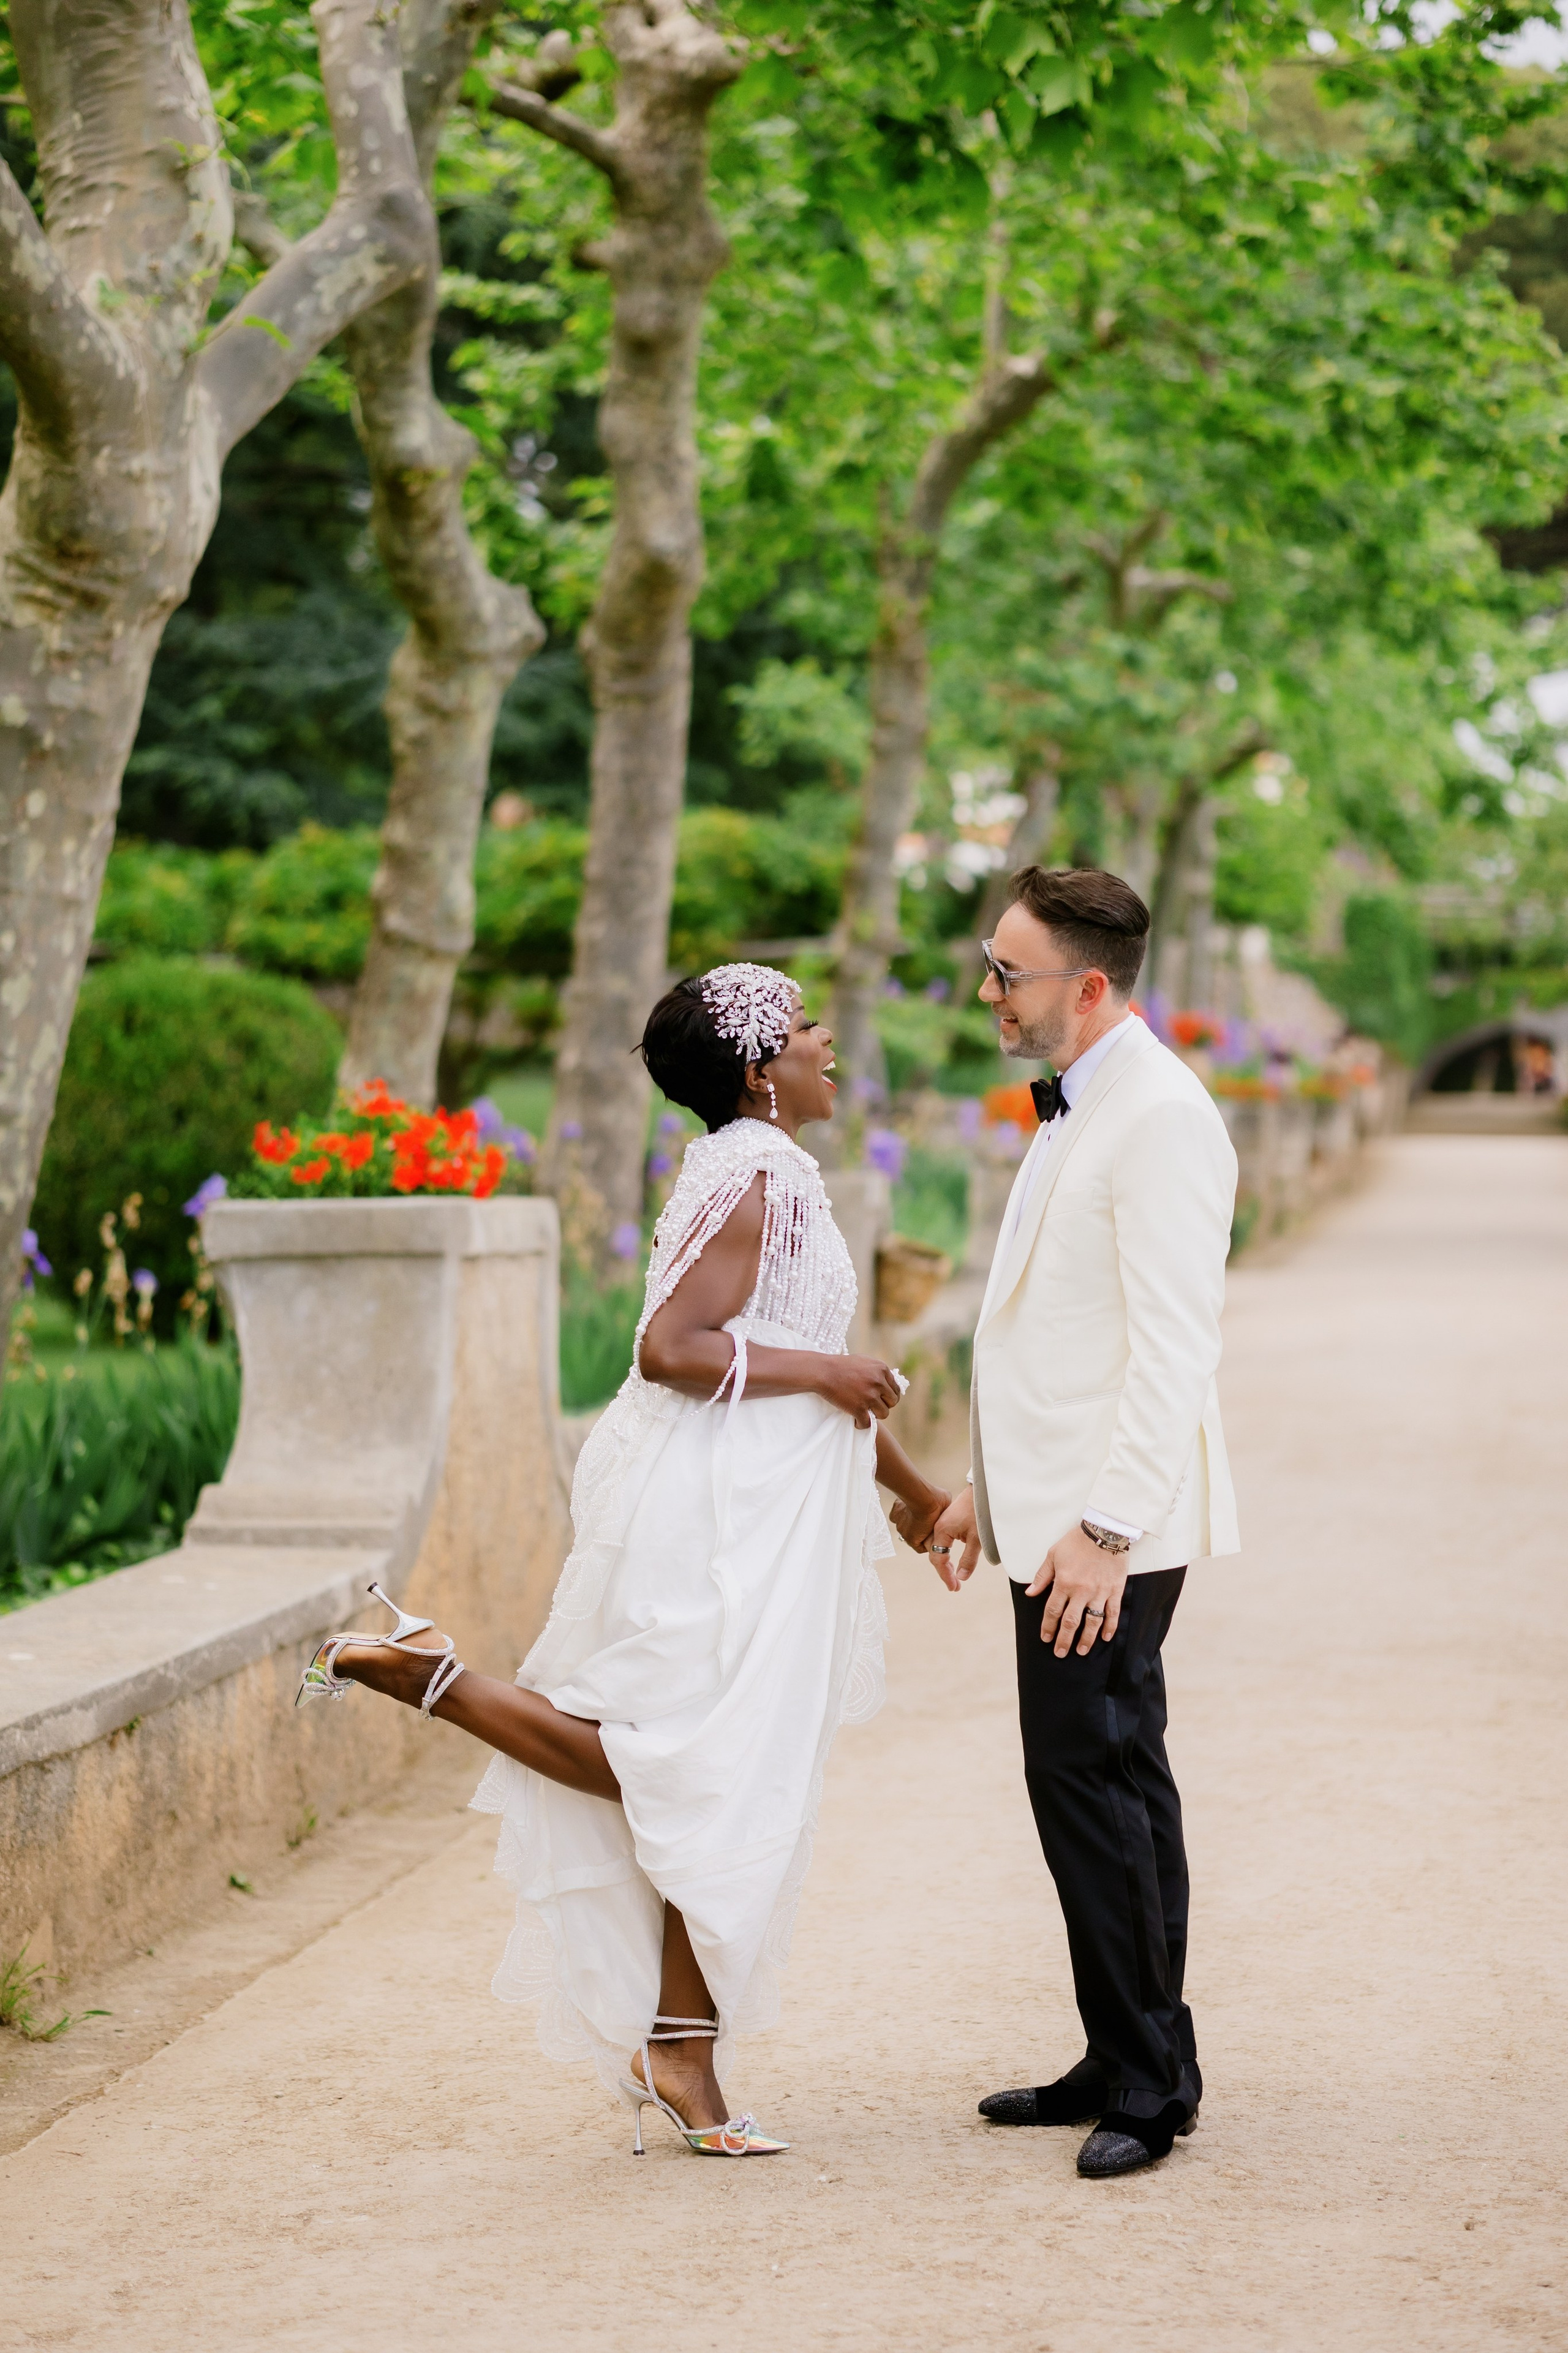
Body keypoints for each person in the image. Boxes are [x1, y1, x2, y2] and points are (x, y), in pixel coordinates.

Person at [298, 964, 949, 2158]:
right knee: (702, 1767)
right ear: (759, 1069)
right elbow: (671, 1348)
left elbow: (812, 1356)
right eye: (805, 1028)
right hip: (726, 1512)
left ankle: (683, 2049)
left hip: (759, 1497)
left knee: (724, 1774)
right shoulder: (758, 1177)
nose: (827, 1044)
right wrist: (831, 1383)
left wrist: (912, 1496)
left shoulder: (754, 1170)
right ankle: (433, 1677)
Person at [928, 866, 1240, 2180]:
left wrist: (1102, 1531)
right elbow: (1041, 1335)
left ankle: (1149, 2084)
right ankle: (1125, 2046)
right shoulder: (1077, 1107)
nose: (987, 991)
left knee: (1087, 1782)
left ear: (1091, 985)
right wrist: (980, 1491)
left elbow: (1174, 1347)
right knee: (1113, 1781)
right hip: (1051, 1510)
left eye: (1009, 972)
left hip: (1106, 1530)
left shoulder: (1161, 1117)